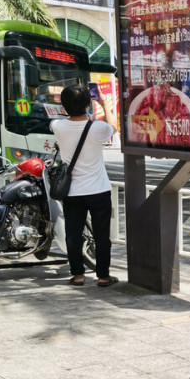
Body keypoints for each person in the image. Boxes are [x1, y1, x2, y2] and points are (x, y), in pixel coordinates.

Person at [51, 84, 117, 287]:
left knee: (73, 233)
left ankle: (78, 275)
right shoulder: (98, 128)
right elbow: (114, 126)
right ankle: (103, 276)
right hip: (98, 190)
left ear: (63, 106)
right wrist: (105, 104)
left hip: (72, 191)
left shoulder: (57, 126)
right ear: (88, 104)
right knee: (102, 235)